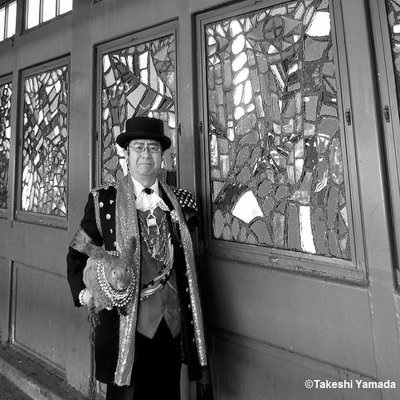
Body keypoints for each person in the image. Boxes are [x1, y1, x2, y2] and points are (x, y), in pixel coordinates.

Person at [66, 116, 207, 400]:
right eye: (138, 147)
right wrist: (85, 296)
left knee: (167, 392)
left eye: (153, 148)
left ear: (162, 156)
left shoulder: (179, 202)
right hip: (124, 325)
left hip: (171, 322)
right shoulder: (103, 201)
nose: (146, 154)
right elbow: (77, 250)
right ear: (126, 155)